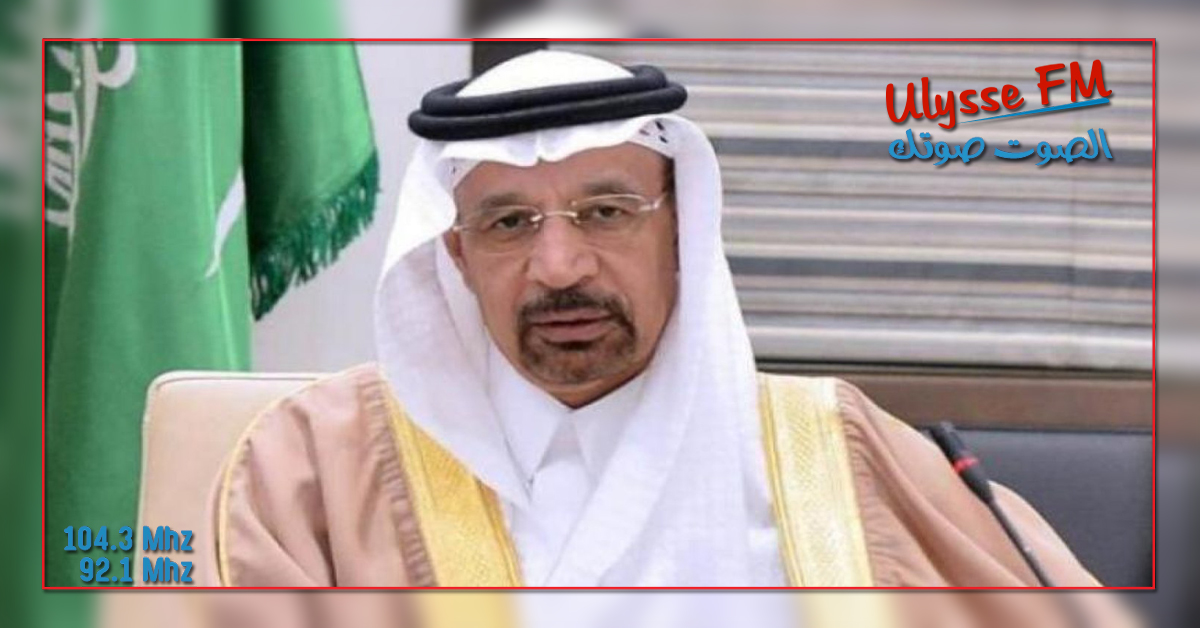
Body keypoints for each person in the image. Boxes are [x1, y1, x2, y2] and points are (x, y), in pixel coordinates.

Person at [203, 49, 1139, 627]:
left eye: (607, 211)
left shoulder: (837, 450)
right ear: (455, 254)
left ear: (682, 230)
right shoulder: (316, 463)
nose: (559, 266)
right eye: (509, 224)